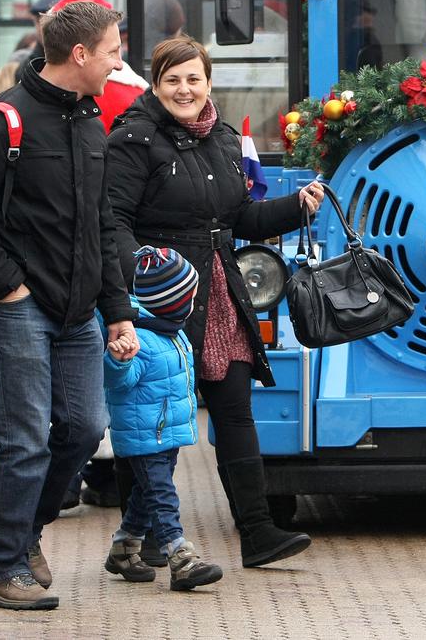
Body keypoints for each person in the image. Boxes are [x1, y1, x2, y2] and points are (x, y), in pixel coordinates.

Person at [0, 0, 139, 611]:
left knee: (85, 426)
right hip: (20, 305)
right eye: (112, 51)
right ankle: (0, 568)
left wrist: (118, 310)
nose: (118, 61)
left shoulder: (89, 119)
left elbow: (102, 224)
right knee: (25, 438)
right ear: (79, 54)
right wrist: (9, 285)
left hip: (80, 310)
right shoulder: (1, 121)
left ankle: (26, 535)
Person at [106, 35, 323, 569]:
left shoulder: (224, 139)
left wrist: (295, 207)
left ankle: (257, 533)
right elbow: (111, 221)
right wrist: (146, 273)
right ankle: (145, 537)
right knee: (162, 422)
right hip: (162, 301)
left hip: (221, 295)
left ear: (209, 82)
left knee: (234, 412)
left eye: (193, 79)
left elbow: (238, 219)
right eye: (172, 80)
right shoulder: (133, 139)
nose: (184, 89)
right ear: (155, 86)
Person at [103, 246, 223, 591]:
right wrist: (120, 361)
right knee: (162, 495)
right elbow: (118, 382)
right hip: (145, 435)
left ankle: (124, 549)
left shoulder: (172, 331)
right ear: (175, 302)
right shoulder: (139, 338)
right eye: (192, 295)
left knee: (146, 493)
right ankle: (180, 557)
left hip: (163, 433)